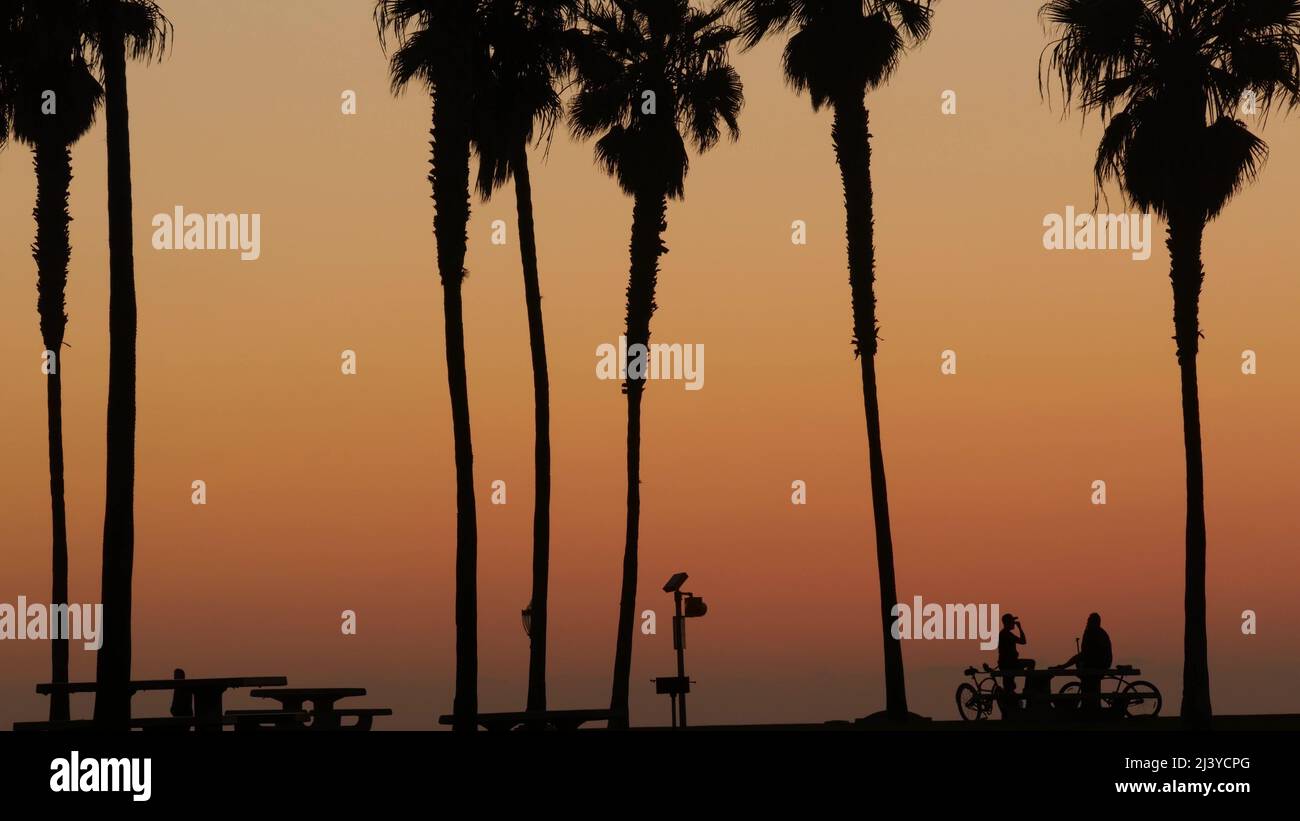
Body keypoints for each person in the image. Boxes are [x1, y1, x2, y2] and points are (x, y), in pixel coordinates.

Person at [1059, 613, 1112, 717]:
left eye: (1089, 621)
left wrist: (1065, 666)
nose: (1087, 623)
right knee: (1085, 674)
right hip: (1100, 663)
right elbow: (1086, 653)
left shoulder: (1095, 633)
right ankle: (1089, 706)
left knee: (1085, 673)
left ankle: (1089, 708)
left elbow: (1086, 653)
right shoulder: (1096, 632)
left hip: (1100, 664)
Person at [997, 614, 1034, 694]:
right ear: (1008, 623)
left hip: (1008, 663)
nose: (1014, 623)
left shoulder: (1005, 633)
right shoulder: (1006, 634)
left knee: (1009, 685)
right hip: (1010, 664)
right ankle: (1028, 688)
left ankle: (1026, 688)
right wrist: (1020, 628)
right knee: (1031, 663)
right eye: (1012, 622)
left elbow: (1023, 641)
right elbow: (1023, 641)